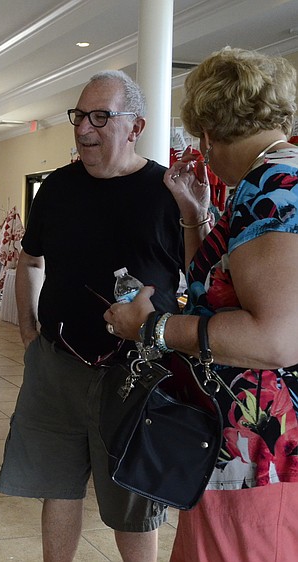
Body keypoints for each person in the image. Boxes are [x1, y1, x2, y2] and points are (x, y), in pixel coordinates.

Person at [106, 48, 298, 562]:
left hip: (260, 454)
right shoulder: (272, 180)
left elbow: (274, 338)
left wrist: (154, 328)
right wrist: (196, 218)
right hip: (240, 444)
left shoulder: (274, 189)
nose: (202, 155)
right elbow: (224, 289)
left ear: (210, 133)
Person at [0, 70, 185, 562]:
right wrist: (31, 334)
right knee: (57, 487)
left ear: (135, 126)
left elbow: (196, 278)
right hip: (57, 364)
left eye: (101, 117)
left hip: (133, 374)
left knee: (132, 502)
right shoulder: (57, 188)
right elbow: (30, 262)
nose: (83, 129)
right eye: (80, 116)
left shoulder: (165, 192)